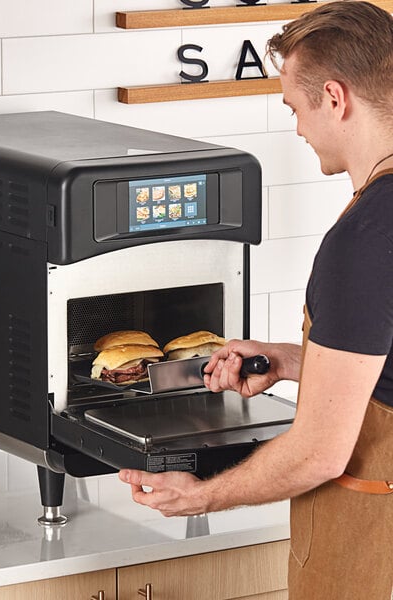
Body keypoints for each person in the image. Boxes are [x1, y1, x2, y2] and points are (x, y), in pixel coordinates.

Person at [118, 1, 393, 597]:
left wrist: (201, 495)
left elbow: (320, 454)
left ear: (335, 98)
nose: (296, 127)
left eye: (295, 107)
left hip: (378, 547)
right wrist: (295, 361)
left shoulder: (367, 240)